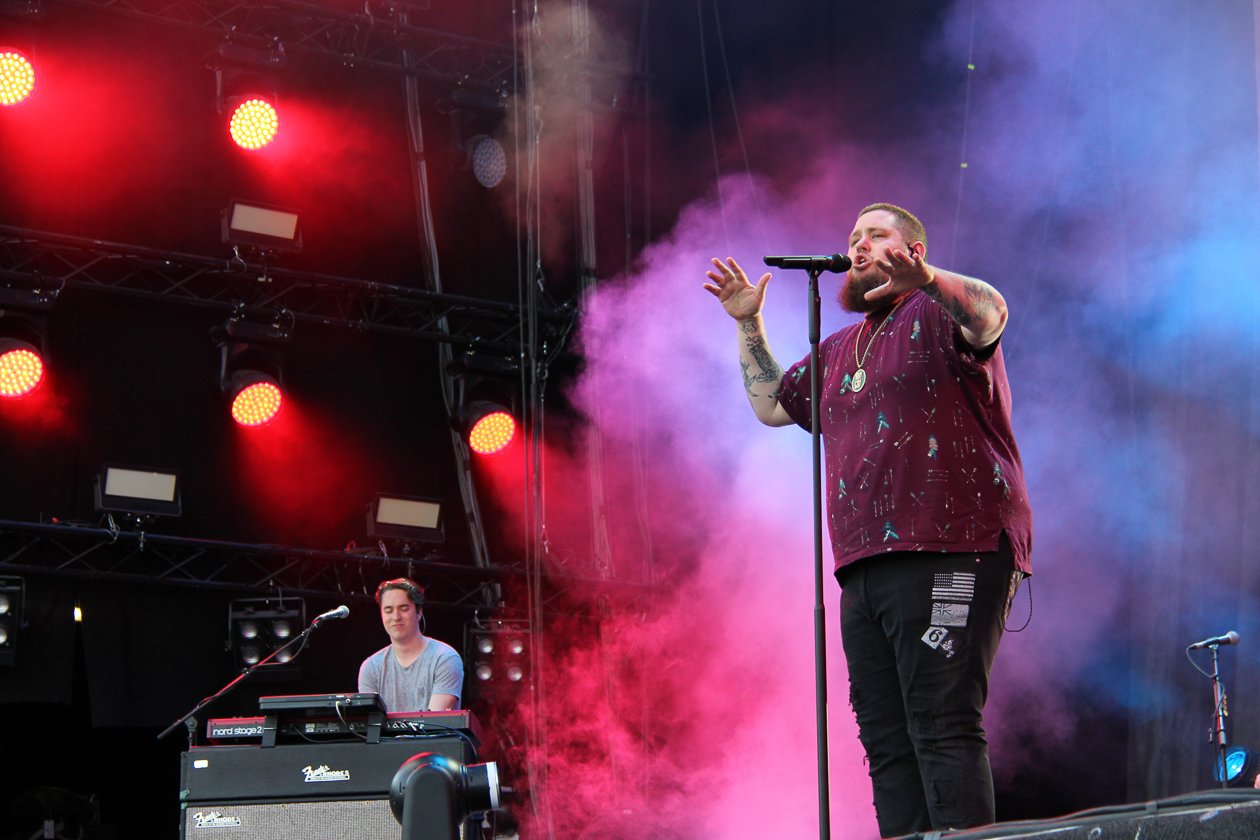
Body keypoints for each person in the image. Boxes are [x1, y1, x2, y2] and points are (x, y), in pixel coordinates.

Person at [703, 203, 1032, 837]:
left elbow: (993, 313)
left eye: (875, 234)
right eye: (852, 236)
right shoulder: (841, 347)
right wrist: (749, 325)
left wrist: (929, 279)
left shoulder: (940, 312)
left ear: (911, 248)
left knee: (942, 720)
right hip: (862, 565)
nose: (857, 244)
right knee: (885, 738)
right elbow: (773, 405)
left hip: (952, 546)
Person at [358, 577, 464, 712]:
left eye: (403, 608)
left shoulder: (444, 658)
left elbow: (434, 722)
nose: (396, 617)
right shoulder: (371, 667)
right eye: (388, 610)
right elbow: (369, 725)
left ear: (419, 612)